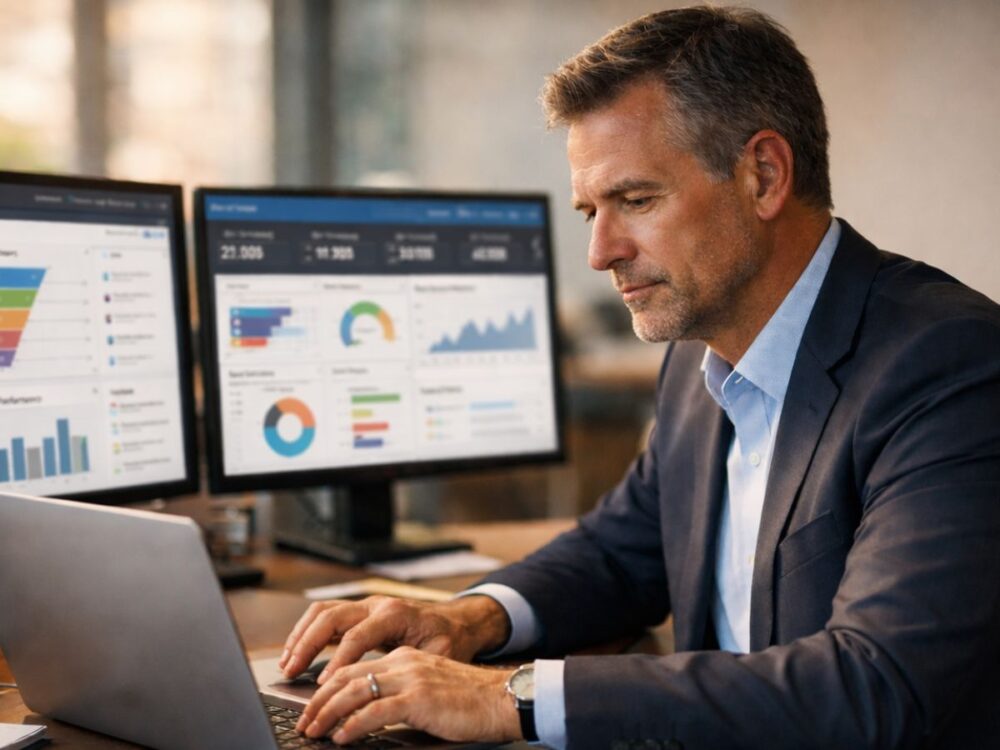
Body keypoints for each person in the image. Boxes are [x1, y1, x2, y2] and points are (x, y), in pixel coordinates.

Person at [278, 6, 1000, 748]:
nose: (600, 251)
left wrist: (516, 697)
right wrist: (466, 618)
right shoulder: (700, 353)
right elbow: (622, 552)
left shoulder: (950, 366)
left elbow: (873, 686)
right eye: (591, 210)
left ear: (764, 174)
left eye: (635, 200)